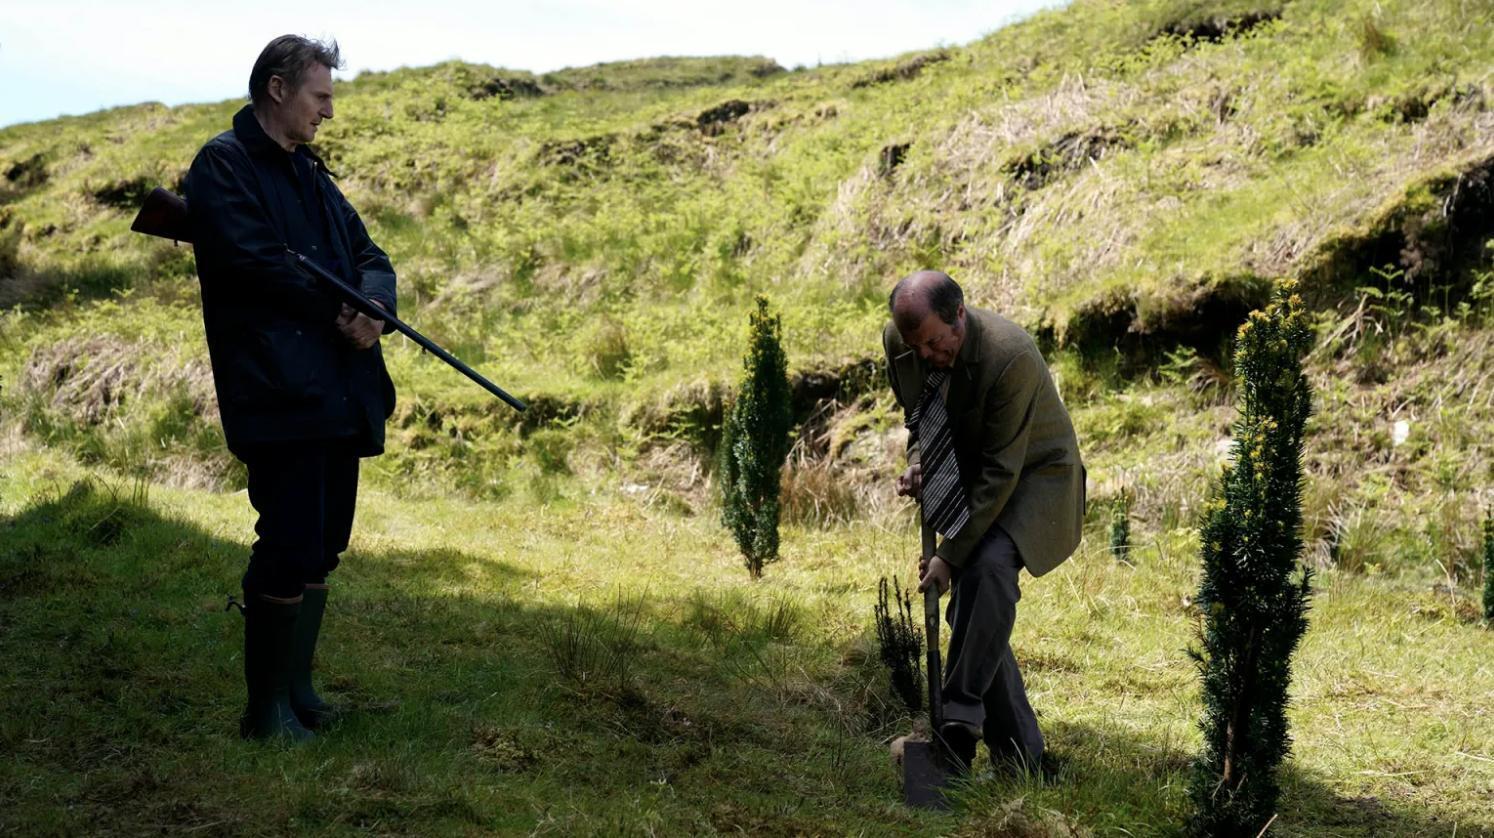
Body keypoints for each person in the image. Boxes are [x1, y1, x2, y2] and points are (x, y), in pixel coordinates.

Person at [183, 35, 398, 742]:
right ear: (278, 90)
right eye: (320, 97)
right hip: (277, 390)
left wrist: (373, 308)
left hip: (337, 388)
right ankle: (264, 710)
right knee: (287, 540)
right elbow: (253, 265)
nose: (328, 113)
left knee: (323, 544)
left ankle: (299, 691)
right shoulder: (224, 165)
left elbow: (369, 257)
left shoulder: (313, 176)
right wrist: (337, 305)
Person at [882, 270, 1085, 774]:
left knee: (987, 568)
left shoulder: (1009, 356)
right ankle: (1025, 757)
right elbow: (920, 417)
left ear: (959, 315)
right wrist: (918, 461)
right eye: (914, 345)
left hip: (1034, 475)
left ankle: (957, 725)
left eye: (933, 343)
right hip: (973, 470)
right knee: (976, 612)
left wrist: (949, 556)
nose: (924, 355)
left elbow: (1001, 472)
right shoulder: (901, 340)